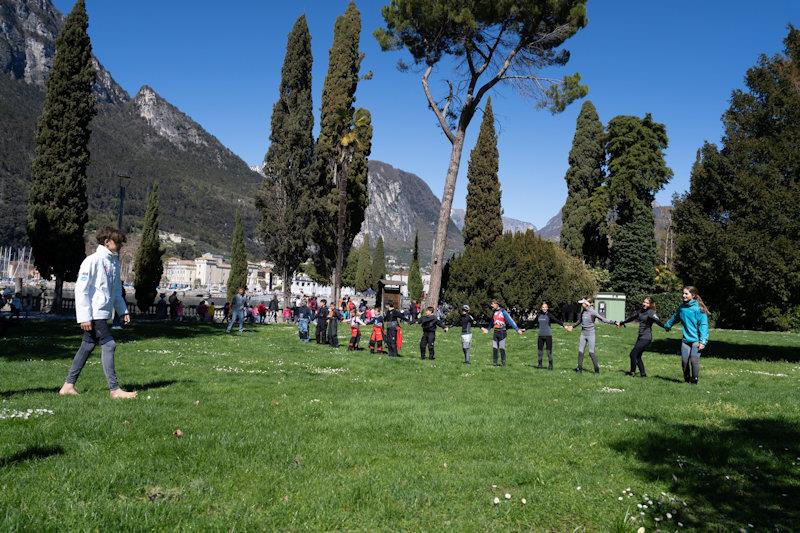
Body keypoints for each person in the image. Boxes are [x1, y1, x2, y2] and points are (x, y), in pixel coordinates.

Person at [59, 227, 137, 399]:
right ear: (106, 241)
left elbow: (116, 291)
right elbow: (82, 290)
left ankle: (68, 386)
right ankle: (115, 390)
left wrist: (122, 311)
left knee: (86, 347)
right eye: (117, 242)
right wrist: (84, 317)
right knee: (109, 345)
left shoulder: (114, 263)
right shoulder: (92, 260)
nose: (120, 246)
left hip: (103, 313)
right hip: (94, 314)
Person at [664, 286, 710, 384]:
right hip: (686, 340)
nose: (683, 295)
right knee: (684, 361)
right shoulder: (682, 308)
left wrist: (703, 341)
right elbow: (675, 317)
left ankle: (694, 380)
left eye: (686, 293)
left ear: (693, 295)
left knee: (694, 360)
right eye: (683, 293)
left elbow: (704, 326)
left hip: (696, 340)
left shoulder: (699, 309)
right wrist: (668, 325)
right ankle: (687, 379)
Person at [619, 296, 668, 377]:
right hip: (641, 337)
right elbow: (632, 318)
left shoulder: (651, 312)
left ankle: (632, 373)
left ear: (650, 304)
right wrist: (622, 322)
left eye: (647, 303)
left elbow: (658, 321)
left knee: (633, 354)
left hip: (646, 338)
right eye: (644, 302)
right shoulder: (641, 311)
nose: (644, 304)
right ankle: (643, 374)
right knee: (638, 356)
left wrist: (665, 327)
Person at [571, 297, 616, 374]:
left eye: (583, 303)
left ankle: (597, 370)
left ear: (587, 304)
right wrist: (572, 326)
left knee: (591, 352)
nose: (581, 304)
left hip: (591, 334)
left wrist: (614, 322)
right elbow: (579, 321)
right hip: (583, 334)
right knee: (580, 351)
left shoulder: (593, 312)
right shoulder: (583, 312)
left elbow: (603, 319)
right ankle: (579, 369)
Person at [481, 299, 523, 366]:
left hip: (502, 332)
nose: (491, 305)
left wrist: (517, 329)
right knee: (494, 348)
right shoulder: (494, 312)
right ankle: (495, 364)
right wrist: (487, 330)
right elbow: (492, 322)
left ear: (496, 304)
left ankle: (503, 364)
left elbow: (510, 321)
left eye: (492, 304)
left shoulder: (503, 311)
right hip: (495, 332)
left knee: (502, 348)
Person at [532, 302, 572, 370]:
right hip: (540, 336)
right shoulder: (539, 315)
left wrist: (564, 326)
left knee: (548, 351)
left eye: (545, 307)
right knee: (540, 351)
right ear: (541, 308)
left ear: (547, 308)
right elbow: (532, 323)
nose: (544, 308)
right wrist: (525, 329)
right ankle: (540, 364)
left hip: (548, 336)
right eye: (543, 307)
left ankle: (550, 365)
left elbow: (557, 320)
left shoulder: (549, 315)